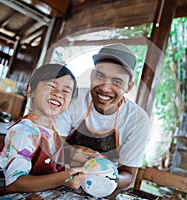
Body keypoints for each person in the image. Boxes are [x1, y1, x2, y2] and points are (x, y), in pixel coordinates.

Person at [54, 43, 150, 192]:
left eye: (117, 82)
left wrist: (105, 178)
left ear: (128, 87)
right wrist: (70, 153)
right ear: (92, 75)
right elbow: (51, 146)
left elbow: (129, 175)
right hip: (58, 180)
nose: (105, 88)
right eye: (100, 76)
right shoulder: (72, 98)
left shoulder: (138, 120)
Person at [0, 64, 85, 194]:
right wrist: (62, 178)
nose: (58, 94)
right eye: (51, 86)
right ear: (30, 90)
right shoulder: (24, 131)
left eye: (66, 91)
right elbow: (15, 183)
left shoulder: (54, 134)